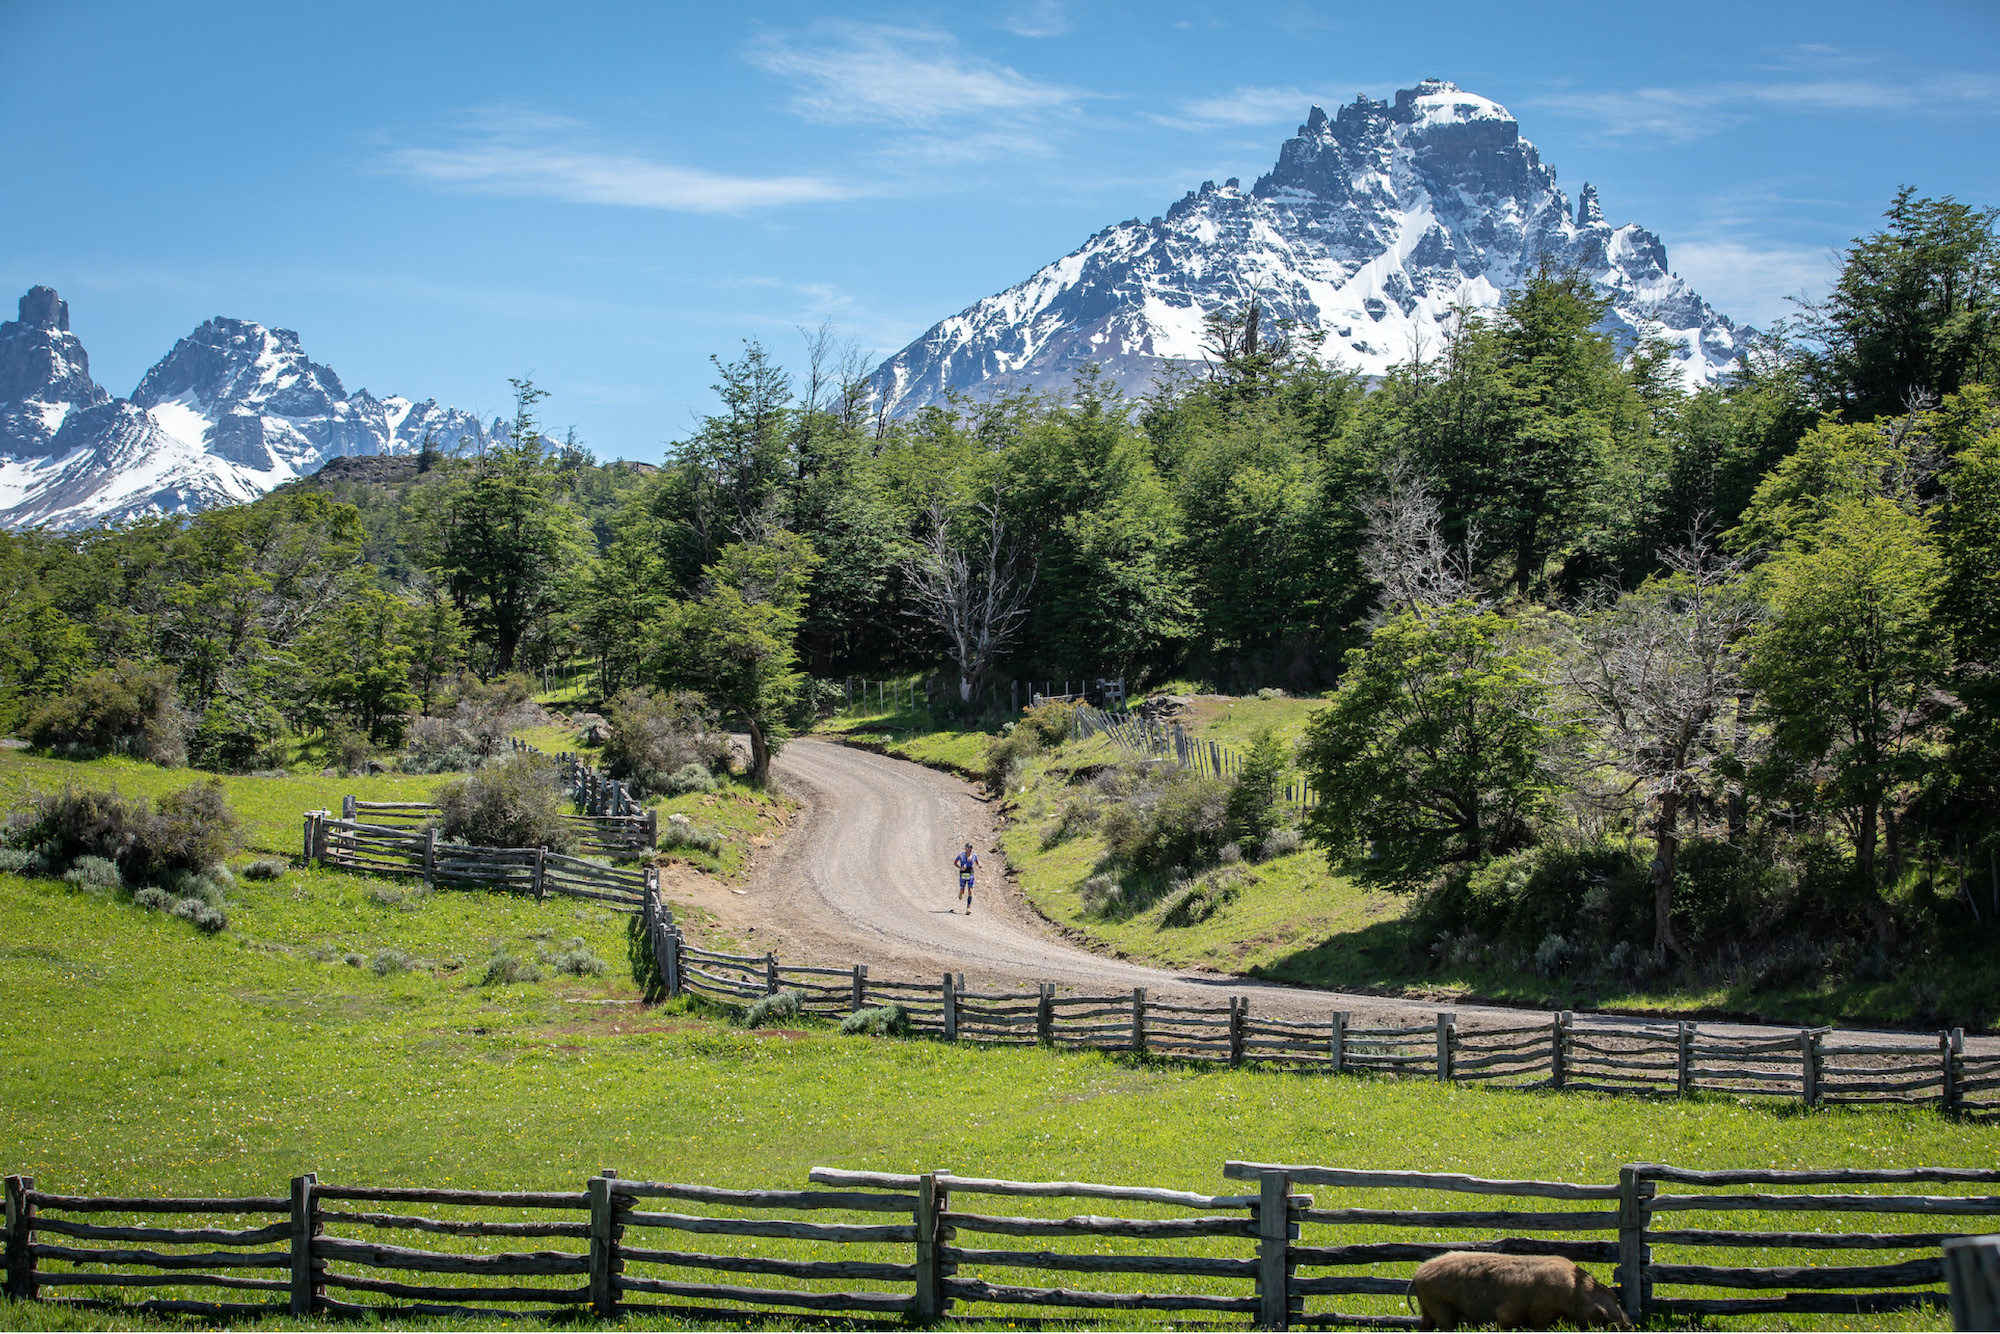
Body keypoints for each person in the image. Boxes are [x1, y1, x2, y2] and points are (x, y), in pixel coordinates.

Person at [954, 843, 980, 914]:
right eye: (968, 848)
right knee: (962, 890)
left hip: (970, 873)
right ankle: (960, 893)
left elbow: (977, 862)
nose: (970, 849)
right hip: (963, 873)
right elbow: (955, 862)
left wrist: (979, 866)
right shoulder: (961, 855)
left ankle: (968, 908)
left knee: (970, 891)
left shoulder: (974, 856)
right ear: (965, 848)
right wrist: (960, 867)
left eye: (971, 848)